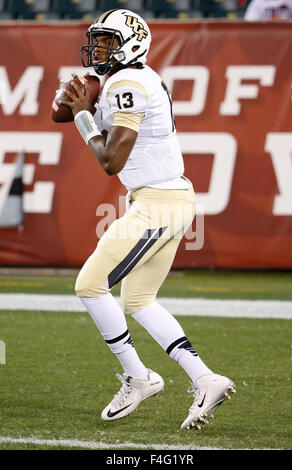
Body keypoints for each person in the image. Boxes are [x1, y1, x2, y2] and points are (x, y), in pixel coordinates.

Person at [59, 8, 236, 430]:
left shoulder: (129, 82)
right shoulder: (127, 79)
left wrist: (84, 113)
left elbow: (110, 159)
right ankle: (205, 378)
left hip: (158, 201)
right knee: (138, 300)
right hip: (168, 197)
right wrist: (77, 105)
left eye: (108, 42)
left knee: (89, 284)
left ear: (131, 43)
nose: (99, 48)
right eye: (97, 40)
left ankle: (140, 377)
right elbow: (60, 115)